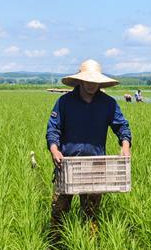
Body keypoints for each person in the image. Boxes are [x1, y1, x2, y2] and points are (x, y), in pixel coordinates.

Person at [46, 59, 132, 228]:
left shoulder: (108, 104)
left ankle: (89, 247)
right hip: (67, 164)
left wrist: (125, 146)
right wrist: (54, 150)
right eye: (88, 80)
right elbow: (53, 129)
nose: (92, 84)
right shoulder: (65, 102)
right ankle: (56, 247)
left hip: (95, 166)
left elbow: (121, 126)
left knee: (91, 213)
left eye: (95, 81)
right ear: (81, 80)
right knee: (59, 211)